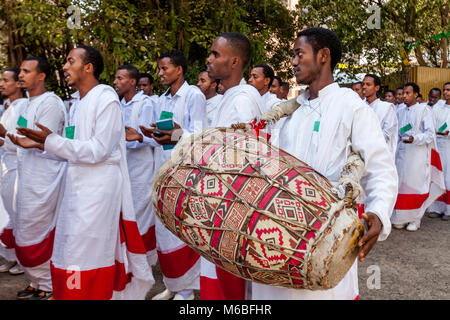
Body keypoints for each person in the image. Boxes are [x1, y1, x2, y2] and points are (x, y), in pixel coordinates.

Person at [252, 27, 398, 300]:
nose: (293, 62)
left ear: (323, 56)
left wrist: (378, 213)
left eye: (299, 54)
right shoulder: (291, 110)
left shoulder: (350, 106)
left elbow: (380, 168)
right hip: (277, 232)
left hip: (326, 234)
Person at [10, 45, 155, 299]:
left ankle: (90, 293)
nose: (65, 67)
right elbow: (73, 147)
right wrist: (42, 143)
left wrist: (51, 140)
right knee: (70, 249)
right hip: (76, 188)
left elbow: (99, 149)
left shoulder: (106, 98)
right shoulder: (77, 103)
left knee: (87, 252)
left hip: (98, 191)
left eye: (70, 61)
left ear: (88, 67)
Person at [199, 31, 265, 300]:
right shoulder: (231, 96)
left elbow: (243, 159)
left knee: (233, 287)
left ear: (235, 62)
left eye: (216, 54)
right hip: (221, 203)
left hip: (232, 206)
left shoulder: (242, 99)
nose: (209, 59)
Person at [140, 49, 206, 301]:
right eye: (159, 69)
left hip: (184, 172)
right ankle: (173, 284)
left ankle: (187, 290)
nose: (160, 73)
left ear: (179, 69)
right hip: (162, 168)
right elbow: (164, 134)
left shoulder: (194, 95)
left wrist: (175, 135)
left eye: (164, 68)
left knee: (180, 229)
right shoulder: (162, 99)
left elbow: (200, 135)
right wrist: (149, 133)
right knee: (164, 230)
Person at [7, 57, 67, 300]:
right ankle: (35, 280)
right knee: (25, 229)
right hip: (26, 176)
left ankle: (49, 285)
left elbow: (45, 140)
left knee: (40, 230)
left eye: (26, 71)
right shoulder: (26, 104)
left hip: (45, 177)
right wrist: (11, 138)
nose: (21, 75)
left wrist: (19, 140)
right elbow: (20, 136)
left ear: (41, 76)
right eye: (20, 71)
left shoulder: (50, 103)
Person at [114, 65, 158, 267]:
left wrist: (139, 137)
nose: (115, 82)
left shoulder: (145, 104)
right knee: (125, 215)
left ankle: (143, 262)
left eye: (120, 78)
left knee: (140, 215)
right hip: (122, 167)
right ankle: (130, 259)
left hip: (141, 169)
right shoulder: (118, 105)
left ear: (132, 82)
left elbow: (154, 138)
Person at [391, 82, 444, 232]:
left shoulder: (424, 110)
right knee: (402, 185)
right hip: (402, 154)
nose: (404, 96)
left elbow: (429, 134)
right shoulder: (400, 111)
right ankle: (401, 217)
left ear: (416, 95)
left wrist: (415, 139)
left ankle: (415, 219)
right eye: (403, 94)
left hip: (418, 155)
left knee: (416, 185)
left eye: (408, 93)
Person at [0, 68, 27, 275]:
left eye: (5, 80)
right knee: (7, 214)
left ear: (18, 84)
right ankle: (9, 256)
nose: (1, 83)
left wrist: (4, 135)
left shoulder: (23, 107)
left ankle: (21, 258)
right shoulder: (8, 107)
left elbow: (21, 139)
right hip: (6, 166)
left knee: (18, 214)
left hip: (18, 167)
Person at [427, 82, 450, 221]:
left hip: (448, 145)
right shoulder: (438, 106)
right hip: (438, 144)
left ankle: (448, 210)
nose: (446, 92)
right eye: (445, 90)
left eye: (448, 90)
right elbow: (431, 121)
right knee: (437, 174)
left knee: (448, 178)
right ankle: (436, 207)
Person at [362, 74, 398, 157]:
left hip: (379, 154)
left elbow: (387, 133)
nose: (364, 87)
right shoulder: (359, 106)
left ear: (377, 88)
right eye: (363, 84)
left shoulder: (386, 108)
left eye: (368, 84)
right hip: (360, 153)